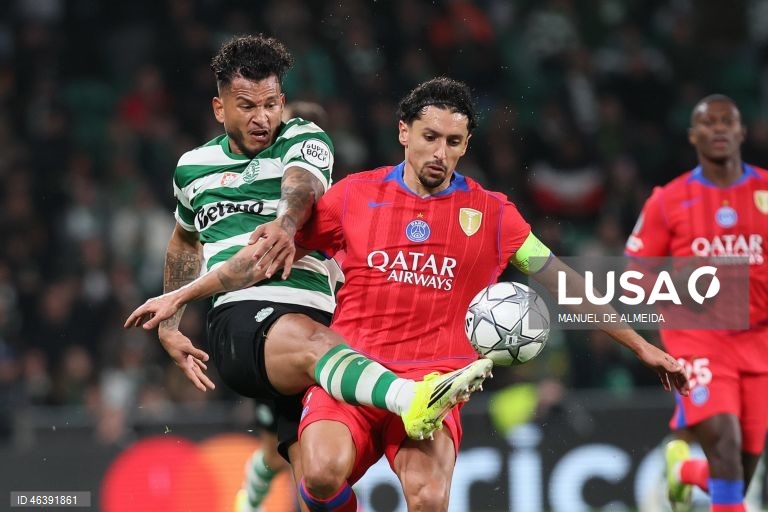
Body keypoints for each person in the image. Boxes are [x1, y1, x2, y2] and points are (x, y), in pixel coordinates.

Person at [132, 77, 689, 511]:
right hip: (350, 371)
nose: (439, 153)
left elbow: (564, 281)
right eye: (429, 137)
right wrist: (184, 299)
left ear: (467, 143)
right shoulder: (354, 197)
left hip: (435, 386)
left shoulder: (493, 215)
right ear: (404, 132)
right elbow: (261, 253)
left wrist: (642, 347)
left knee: (427, 499)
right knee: (319, 476)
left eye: (453, 141)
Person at [125, 34, 494, 496]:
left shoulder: (304, 136)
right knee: (318, 344)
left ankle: (263, 485)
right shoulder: (191, 168)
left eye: (272, 103)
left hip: (324, 333)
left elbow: (300, 187)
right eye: (246, 106)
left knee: (318, 482)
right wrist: (170, 324)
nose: (263, 118)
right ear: (220, 109)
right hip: (244, 319)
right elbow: (184, 240)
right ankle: (410, 398)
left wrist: (286, 222)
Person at [625, 94, 768, 512]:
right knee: (725, 443)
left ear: (742, 131)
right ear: (693, 135)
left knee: (738, 472)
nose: (719, 128)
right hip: (698, 338)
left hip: (757, 340)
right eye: (709, 122)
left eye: (728, 121)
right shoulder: (667, 200)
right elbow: (637, 275)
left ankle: (685, 472)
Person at [234, 101, 331, 512]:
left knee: (317, 462)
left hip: (324, 330)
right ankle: (251, 498)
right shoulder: (260, 192)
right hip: (276, 329)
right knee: (281, 454)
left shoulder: (335, 197)